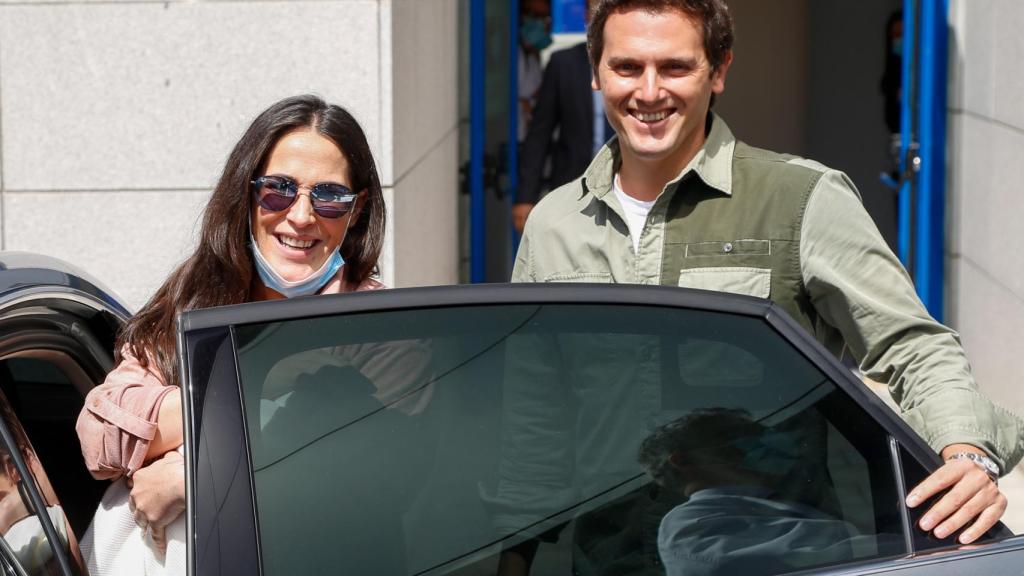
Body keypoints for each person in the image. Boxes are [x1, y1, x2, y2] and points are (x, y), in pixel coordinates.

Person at [513, 0, 1022, 546]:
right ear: (596, 72)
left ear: (720, 69)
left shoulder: (801, 200)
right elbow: (531, 416)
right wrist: (511, 549)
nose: (650, 91)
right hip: (609, 554)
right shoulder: (554, 224)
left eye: (676, 67)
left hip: (771, 548)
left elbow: (913, 346)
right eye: (627, 67)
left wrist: (965, 450)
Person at [75, 94, 387, 559]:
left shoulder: (383, 323)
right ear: (247, 193)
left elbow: (380, 467)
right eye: (279, 189)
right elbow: (101, 436)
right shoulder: (194, 296)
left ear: (356, 209)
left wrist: (195, 475)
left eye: (329, 197)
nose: (301, 216)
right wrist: (256, 389)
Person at [514, 1, 614, 234]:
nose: (601, 15)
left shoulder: (637, 64)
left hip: (624, 185)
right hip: (572, 186)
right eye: (595, 8)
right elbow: (540, 133)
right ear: (587, 14)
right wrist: (526, 196)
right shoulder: (563, 64)